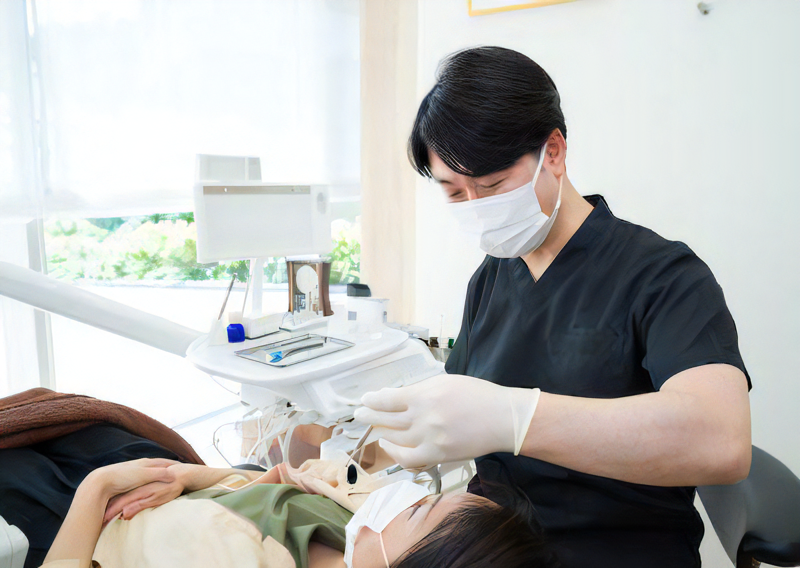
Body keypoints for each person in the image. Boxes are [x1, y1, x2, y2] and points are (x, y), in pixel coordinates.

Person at [355, 46, 752, 568]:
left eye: (492, 185)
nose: (477, 208)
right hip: (492, 549)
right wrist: (371, 443)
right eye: (454, 193)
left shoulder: (663, 276)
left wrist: (516, 418)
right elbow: (449, 415)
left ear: (554, 153)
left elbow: (721, 440)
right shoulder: (490, 280)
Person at [0, 422, 557, 568]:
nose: (402, 496)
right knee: (71, 419)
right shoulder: (358, 534)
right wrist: (191, 477)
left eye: (420, 509)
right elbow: (292, 475)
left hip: (86, 521)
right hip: (173, 481)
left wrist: (96, 488)